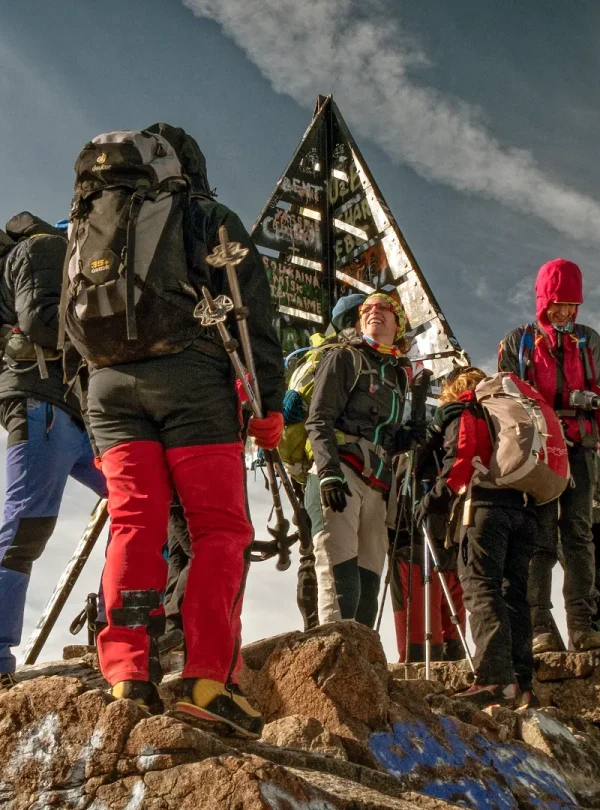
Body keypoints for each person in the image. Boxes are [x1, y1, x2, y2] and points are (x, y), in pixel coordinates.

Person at [74, 124, 285, 737]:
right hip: (192, 385)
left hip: (107, 387)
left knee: (134, 522)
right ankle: (205, 679)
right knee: (218, 528)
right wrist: (265, 404)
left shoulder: (92, 221)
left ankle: (125, 676)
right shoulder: (206, 215)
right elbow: (255, 316)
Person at [0, 213, 107, 688]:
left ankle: (119, 620)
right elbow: (41, 323)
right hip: (42, 403)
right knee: (27, 525)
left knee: (152, 507)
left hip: (73, 412)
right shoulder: (46, 249)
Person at [416, 367, 539, 708]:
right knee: (513, 594)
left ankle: (493, 680)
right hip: (525, 510)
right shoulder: (514, 409)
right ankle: (522, 684)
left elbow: (461, 462)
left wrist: (432, 500)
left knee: (481, 589)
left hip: (486, 509)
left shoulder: (467, 408)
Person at [499, 258, 600, 653]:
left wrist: (588, 403)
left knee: (578, 534)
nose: (565, 312)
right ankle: (539, 627)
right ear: (544, 301)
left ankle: (582, 626)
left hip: (581, 448)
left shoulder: (591, 342)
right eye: (558, 303)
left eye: (572, 304)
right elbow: (508, 395)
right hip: (539, 450)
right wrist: (553, 406)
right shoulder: (519, 342)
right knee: (539, 538)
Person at [305, 290, 413, 627]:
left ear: (399, 324)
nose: (374, 312)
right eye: (368, 308)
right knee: (340, 574)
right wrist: (328, 472)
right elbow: (318, 417)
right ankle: (336, 658)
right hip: (340, 472)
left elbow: (387, 434)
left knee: (369, 580)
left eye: (385, 308)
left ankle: (364, 665)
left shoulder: (398, 376)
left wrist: (409, 436)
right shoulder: (344, 357)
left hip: (378, 482)